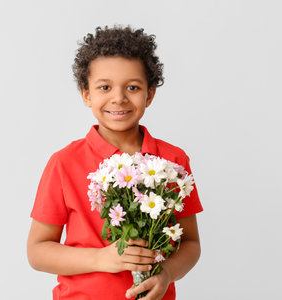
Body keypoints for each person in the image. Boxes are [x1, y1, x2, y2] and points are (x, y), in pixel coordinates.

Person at [27, 25, 203, 300]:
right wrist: (101, 259)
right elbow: (37, 251)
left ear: (150, 94)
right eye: (105, 87)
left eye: (132, 87)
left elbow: (190, 243)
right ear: (86, 93)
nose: (118, 98)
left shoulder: (173, 160)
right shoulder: (64, 163)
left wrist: (166, 274)